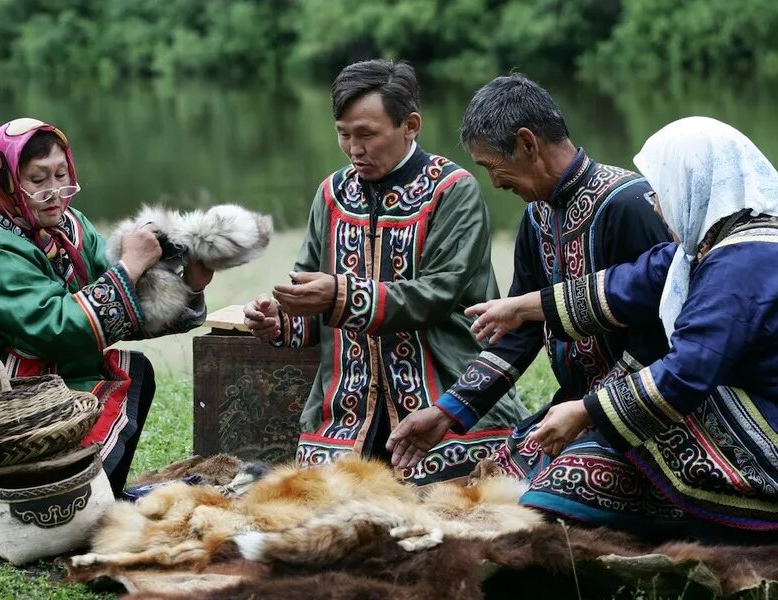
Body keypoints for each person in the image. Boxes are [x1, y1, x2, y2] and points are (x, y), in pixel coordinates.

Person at [436, 116, 778, 537]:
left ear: (694, 184)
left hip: (766, 430)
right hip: (734, 406)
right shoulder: (708, 249)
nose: (655, 203)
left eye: (662, 189)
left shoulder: (744, 261)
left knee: (589, 465)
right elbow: (630, 281)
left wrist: (587, 410)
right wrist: (523, 308)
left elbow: (689, 369)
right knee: (533, 462)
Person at [388, 73, 674, 524]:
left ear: (527, 143)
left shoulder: (630, 203)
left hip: (643, 413)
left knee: (549, 497)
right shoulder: (536, 217)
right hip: (574, 405)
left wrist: (592, 411)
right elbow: (517, 329)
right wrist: (447, 412)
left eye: (490, 166)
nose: (494, 183)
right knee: (487, 487)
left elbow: (663, 336)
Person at [243, 60, 529, 484]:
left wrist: (340, 295)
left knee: (454, 501)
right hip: (346, 413)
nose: (355, 149)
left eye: (367, 134)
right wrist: (279, 319)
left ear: (410, 125)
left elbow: (438, 294)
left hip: (443, 400)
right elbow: (307, 293)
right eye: (343, 134)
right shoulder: (331, 194)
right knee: (321, 506)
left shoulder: (453, 190)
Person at [0, 118, 213, 496]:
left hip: (48, 372)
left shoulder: (69, 226)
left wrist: (188, 285)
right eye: (38, 181)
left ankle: (99, 495)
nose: (55, 192)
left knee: (133, 371)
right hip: (0, 397)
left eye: (61, 174)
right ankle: (63, 495)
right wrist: (130, 265)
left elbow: (122, 304)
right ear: (6, 180)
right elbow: (54, 327)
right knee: (113, 375)